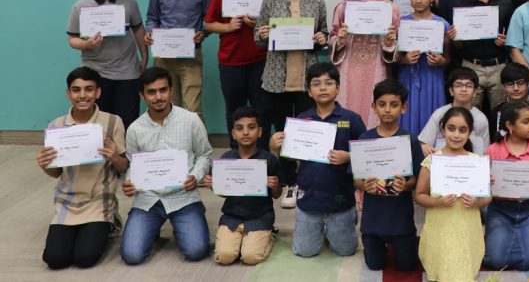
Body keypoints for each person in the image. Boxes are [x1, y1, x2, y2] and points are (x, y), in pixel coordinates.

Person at [255, 0, 330, 208]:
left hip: (306, 78)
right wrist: (263, 33)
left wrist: (322, 38)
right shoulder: (270, 1)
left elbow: (324, 33)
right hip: (277, 79)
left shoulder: (317, 1)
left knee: (308, 132)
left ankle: (310, 181)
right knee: (284, 133)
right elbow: (257, 35)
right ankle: (290, 183)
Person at [270, 62, 366, 258]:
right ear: (308, 91)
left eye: (329, 83)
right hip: (309, 199)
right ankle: (316, 227)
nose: (322, 88)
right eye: (316, 84)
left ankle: (348, 218)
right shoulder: (301, 120)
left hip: (341, 198)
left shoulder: (351, 119)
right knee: (305, 252)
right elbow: (289, 154)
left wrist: (348, 156)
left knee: (345, 251)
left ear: (338, 88)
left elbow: (366, 155)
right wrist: (275, 147)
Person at [120, 67, 213, 265]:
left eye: (163, 90)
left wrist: (195, 176)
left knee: (196, 251)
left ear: (171, 91)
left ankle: (182, 228)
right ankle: (150, 228)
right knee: (131, 256)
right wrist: (129, 182)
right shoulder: (135, 129)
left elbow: (205, 154)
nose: (158, 97)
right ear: (142, 95)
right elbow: (132, 165)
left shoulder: (190, 120)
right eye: (151, 92)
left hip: (184, 196)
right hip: (148, 198)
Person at [38, 66, 128, 270]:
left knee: (85, 258)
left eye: (89, 89)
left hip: (99, 200)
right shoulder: (56, 126)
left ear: (98, 92)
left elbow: (123, 167)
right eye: (76, 90)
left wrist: (113, 155)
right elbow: (56, 173)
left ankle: (110, 221)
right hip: (67, 200)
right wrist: (45, 165)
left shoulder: (113, 122)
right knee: (55, 259)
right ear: (68, 93)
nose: (83, 95)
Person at [205, 0, 277, 149]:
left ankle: (260, 153)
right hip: (231, 61)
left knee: (262, 110)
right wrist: (227, 27)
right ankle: (237, 154)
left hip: (261, 61)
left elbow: (279, 24)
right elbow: (208, 23)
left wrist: (260, 24)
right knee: (233, 111)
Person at [67, 0, 148, 129]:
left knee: (128, 121)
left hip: (127, 71)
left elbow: (138, 29)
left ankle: (124, 156)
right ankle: (102, 155)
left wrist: (145, 56)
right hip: (96, 72)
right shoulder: (80, 6)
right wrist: (87, 44)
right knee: (99, 121)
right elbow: (72, 40)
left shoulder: (129, 2)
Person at [355, 79, 424, 272]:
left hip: (401, 221)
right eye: (382, 104)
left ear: (404, 108)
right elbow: (356, 179)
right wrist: (364, 185)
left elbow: (417, 178)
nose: (387, 110)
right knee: (374, 266)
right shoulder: (364, 139)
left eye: (394, 105)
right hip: (372, 221)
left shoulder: (410, 140)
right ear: (373, 107)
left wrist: (407, 185)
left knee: (408, 267)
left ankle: (403, 243)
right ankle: (374, 242)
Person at [415, 107, 491, 281]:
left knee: (463, 265)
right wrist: (438, 202)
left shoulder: (475, 162)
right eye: (451, 129)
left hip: (467, 225)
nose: (456, 135)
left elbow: (487, 197)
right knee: (442, 266)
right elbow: (419, 195)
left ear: (470, 132)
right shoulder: (432, 161)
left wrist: (476, 203)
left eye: (462, 130)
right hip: (440, 225)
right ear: (443, 130)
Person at [203, 106, 283, 265]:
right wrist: (213, 185)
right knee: (224, 256)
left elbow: (277, 194)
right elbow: (224, 193)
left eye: (251, 127)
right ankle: (242, 240)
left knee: (250, 257)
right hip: (232, 216)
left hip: (259, 216)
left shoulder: (269, 160)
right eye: (240, 128)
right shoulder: (226, 158)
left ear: (260, 131)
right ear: (233, 133)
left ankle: (269, 235)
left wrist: (275, 185)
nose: (245, 132)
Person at [145, 0, 212, 120]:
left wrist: (204, 33)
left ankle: (197, 149)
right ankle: (168, 149)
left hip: (191, 56)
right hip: (163, 57)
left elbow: (211, 20)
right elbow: (152, 18)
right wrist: (150, 32)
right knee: (165, 107)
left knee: (193, 109)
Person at [484, 100, 529, 270]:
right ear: (510, 125)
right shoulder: (493, 150)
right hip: (500, 209)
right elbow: (481, 184)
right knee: (496, 262)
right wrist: (487, 182)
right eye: (526, 121)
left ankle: (516, 240)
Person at [330, 0, 399, 128]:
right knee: (346, 118)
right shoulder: (344, 6)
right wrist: (340, 41)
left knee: (374, 114)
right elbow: (332, 37)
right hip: (348, 69)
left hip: (376, 68)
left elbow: (394, 45)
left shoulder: (389, 7)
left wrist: (390, 42)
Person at [452, 0, 513, 110]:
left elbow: (513, 40)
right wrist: (455, 39)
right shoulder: (461, 6)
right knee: (468, 114)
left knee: (500, 115)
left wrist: (506, 42)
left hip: (498, 66)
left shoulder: (506, 3)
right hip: (471, 66)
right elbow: (457, 47)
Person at [395, 0, 452, 137]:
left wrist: (441, 61)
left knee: (432, 120)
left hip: (432, 78)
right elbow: (393, 59)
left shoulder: (442, 24)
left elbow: (448, 58)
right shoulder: (401, 24)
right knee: (407, 118)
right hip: (408, 78)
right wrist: (404, 60)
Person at [418, 67, 491, 156]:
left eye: (469, 85)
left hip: (470, 166)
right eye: (458, 85)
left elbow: (485, 152)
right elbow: (425, 142)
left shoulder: (481, 119)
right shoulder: (440, 114)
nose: (463, 89)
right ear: (451, 91)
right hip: (442, 163)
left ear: (475, 91)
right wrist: (424, 146)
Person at [490, 62, 529, 144]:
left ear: (528, 85)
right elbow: (494, 141)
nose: (516, 88)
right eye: (510, 84)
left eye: (520, 83)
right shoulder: (497, 109)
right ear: (503, 86)